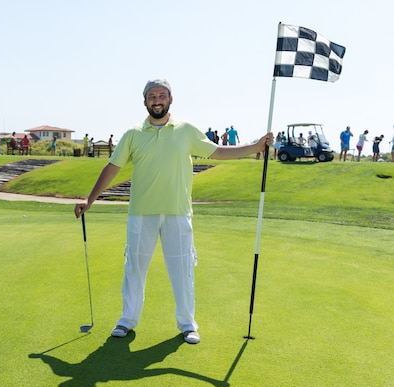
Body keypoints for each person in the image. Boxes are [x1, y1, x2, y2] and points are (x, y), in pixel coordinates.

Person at [73, 79, 272, 344]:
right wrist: (90, 199)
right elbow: (112, 167)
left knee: (182, 269)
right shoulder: (133, 134)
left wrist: (255, 147)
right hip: (141, 213)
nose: (157, 100)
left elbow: (217, 152)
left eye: (162, 95)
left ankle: (187, 324)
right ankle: (126, 321)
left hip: (178, 213)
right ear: (145, 101)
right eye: (152, 96)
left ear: (170, 99)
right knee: (134, 268)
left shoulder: (186, 131)